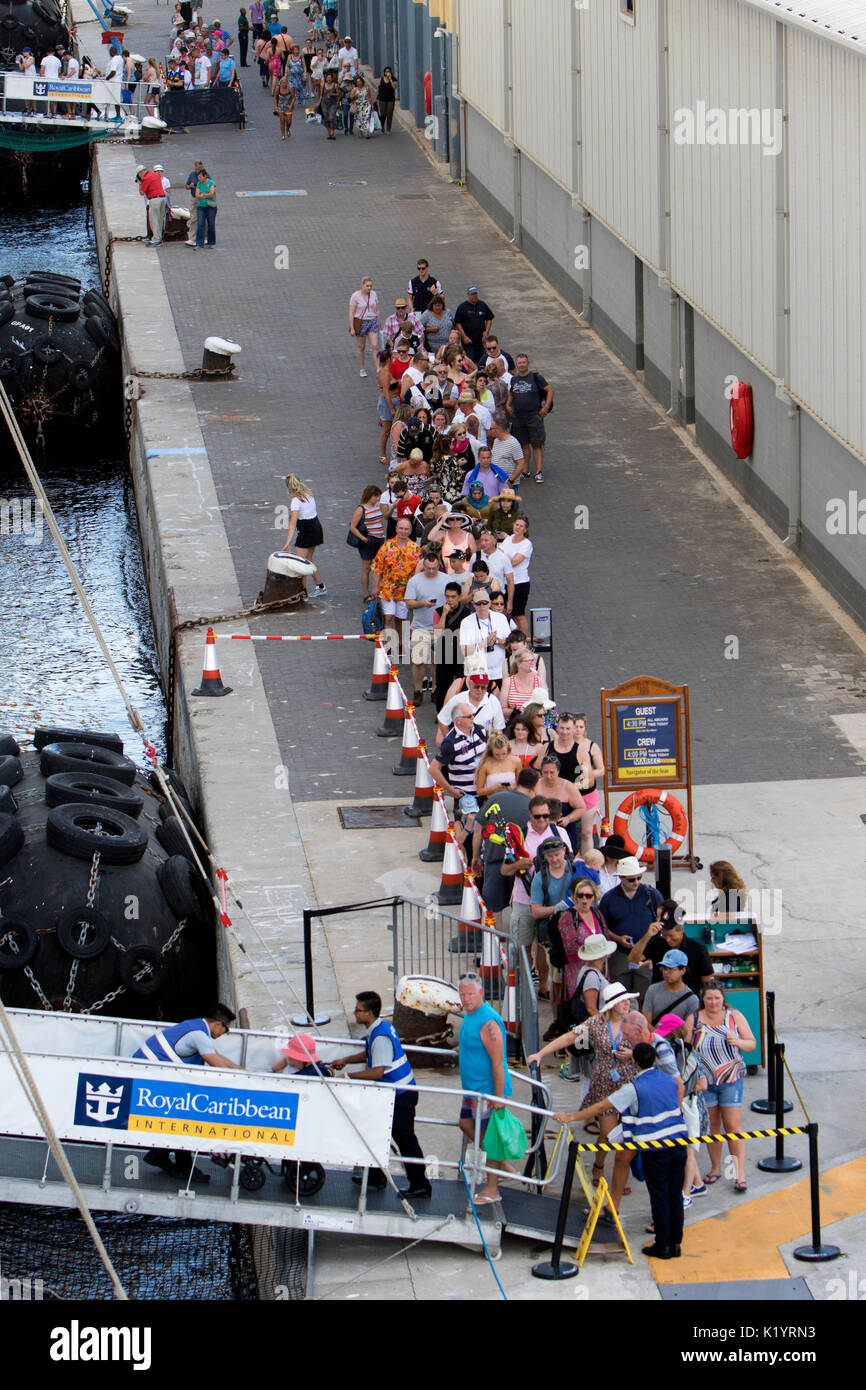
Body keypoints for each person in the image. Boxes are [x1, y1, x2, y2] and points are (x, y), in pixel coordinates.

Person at [555, 1041, 688, 1259]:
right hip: (678, 1143)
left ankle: (663, 1245)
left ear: (633, 1061)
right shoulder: (668, 1079)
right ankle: (675, 1244)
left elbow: (601, 1106)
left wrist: (571, 1117)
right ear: (655, 1059)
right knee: (675, 1194)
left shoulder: (633, 1088)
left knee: (660, 1196)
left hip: (655, 1148)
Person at [331, 991, 431, 1198]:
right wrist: (346, 1060)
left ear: (369, 1013)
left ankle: (420, 1184)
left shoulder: (381, 1037)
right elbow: (371, 1053)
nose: (354, 1013)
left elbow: (377, 1071)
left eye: (358, 1010)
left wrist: (347, 1076)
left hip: (400, 1096)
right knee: (377, 1132)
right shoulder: (381, 1028)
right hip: (396, 1092)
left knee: (405, 1139)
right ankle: (376, 1177)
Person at [133, 1004, 240, 1183]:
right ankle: (183, 1166)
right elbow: (218, 1066)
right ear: (218, 1024)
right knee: (186, 1116)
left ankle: (161, 1155)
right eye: (226, 1029)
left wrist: (241, 1071)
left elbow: (216, 1055)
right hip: (148, 1079)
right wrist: (240, 1080)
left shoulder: (194, 1026)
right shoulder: (199, 1035)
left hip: (148, 1075)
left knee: (182, 1115)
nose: (225, 1033)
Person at [502, 793, 569, 994]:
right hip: (523, 899)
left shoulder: (559, 833)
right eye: (537, 816)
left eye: (546, 816)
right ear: (530, 816)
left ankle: (543, 988)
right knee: (521, 948)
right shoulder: (518, 836)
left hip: (551, 901)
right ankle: (522, 989)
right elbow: (504, 870)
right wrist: (518, 865)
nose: (542, 820)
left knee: (545, 947)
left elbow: (571, 863)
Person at [457, 973, 514, 1204]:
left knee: (491, 1138)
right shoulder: (470, 1014)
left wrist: (498, 1098)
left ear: (480, 993)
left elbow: (498, 1062)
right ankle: (501, 1164)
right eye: (462, 994)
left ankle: (492, 1188)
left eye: (470, 994)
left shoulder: (489, 1022)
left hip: (487, 1091)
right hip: (472, 1090)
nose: (466, 999)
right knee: (465, 1123)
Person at [694, 985, 756, 1192]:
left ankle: (738, 1174)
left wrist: (737, 1042)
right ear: (703, 999)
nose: (713, 1002)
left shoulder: (734, 1016)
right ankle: (716, 1168)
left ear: (723, 999)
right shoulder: (694, 1019)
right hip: (706, 1082)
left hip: (731, 1080)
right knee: (713, 1126)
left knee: (732, 1126)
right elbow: (687, 1049)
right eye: (709, 998)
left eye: (717, 998)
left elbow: (751, 1044)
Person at [654, 1013, 709, 1205]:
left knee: (688, 1153)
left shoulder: (684, 1052)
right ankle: (698, 1184)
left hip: (688, 1106)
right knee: (687, 1150)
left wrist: (681, 1090)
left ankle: (685, 1195)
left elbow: (703, 1084)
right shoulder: (673, 1051)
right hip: (685, 1104)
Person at [599, 855, 662, 1001]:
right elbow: (602, 927)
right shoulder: (609, 899)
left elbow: (662, 917)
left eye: (639, 878)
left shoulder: (652, 894)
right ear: (621, 877)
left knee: (644, 994)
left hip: (645, 953)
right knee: (620, 996)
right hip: (620, 954)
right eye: (631, 880)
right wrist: (617, 938)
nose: (636, 882)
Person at [628, 899, 715, 994]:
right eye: (664, 935)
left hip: (688, 999)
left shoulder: (698, 949)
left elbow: (708, 982)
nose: (668, 940)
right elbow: (633, 959)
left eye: (671, 936)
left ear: (681, 929)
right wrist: (648, 935)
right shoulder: (657, 944)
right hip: (661, 997)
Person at [404, 550, 448, 704]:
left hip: (440, 628)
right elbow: (409, 603)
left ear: (439, 565)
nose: (431, 571)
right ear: (423, 565)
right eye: (428, 568)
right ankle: (418, 691)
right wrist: (423, 603)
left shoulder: (447, 580)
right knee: (419, 661)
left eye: (434, 568)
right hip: (420, 627)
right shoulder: (414, 581)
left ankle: (435, 690)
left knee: (437, 662)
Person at [429, 704, 488, 814]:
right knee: (467, 824)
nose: (472, 718)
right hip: (466, 797)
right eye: (469, 716)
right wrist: (451, 791)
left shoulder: (480, 731)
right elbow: (433, 769)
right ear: (458, 721)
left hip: (485, 793)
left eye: (473, 715)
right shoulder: (450, 742)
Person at [369, 516, 420, 642]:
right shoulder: (386, 546)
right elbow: (378, 568)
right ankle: (389, 645)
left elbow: (418, 572)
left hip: (405, 590)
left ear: (410, 531)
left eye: (406, 529)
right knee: (388, 618)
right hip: (387, 588)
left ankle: (401, 645)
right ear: (396, 529)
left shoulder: (415, 549)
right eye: (401, 528)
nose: (403, 531)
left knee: (401, 619)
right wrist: (375, 586)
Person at [507, 353, 554, 483]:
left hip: (533, 416)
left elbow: (550, 390)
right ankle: (525, 471)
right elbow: (511, 393)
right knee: (524, 445)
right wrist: (507, 405)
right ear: (516, 365)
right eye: (519, 363)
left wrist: (546, 407)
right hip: (518, 417)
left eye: (524, 362)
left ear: (528, 363)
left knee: (537, 445)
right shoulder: (514, 379)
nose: (521, 365)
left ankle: (538, 472)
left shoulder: (536, 377)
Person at [280, 474, 326, 596]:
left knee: (300, 565)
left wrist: (287, 543)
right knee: (308, 560)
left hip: (306, 532)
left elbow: (292, 524)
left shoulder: (295, 501)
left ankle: (302, 593)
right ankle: (320, 586)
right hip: (316, 527)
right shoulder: (308, 494)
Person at [642, 949, 700, 1042]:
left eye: (671, 969)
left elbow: (688, 1031)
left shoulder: (692, 1000)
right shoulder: (652, 990)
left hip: (677, 1044)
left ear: (683, 970)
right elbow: (646, 1022)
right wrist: (660, 1040)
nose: (666, 972)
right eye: (664, 968)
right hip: (654, 1041)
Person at [437, 669, 506, 744]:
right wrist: (450, 741)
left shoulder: (493, 701)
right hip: (461, 744)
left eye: (483, 687)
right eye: (476, 686)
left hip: (485, 744)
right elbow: (442, 719)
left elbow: (498, 729)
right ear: (470, 685)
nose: (480, 690)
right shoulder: (458, 699)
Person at [459, 591, 511, 687]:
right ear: (473, 604)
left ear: (490, 603)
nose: (482, 606)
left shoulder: (501, 618)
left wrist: (497, 641)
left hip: (498, 672)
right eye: (478, 603)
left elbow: (510, 645)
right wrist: (484, 643)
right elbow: (464, 651)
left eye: (485, 603)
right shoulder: (466, 622)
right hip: (476, 672)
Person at [433, 581, 472, 710]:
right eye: (447, 596)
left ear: (460, 597)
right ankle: (441, 713)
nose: (450, 600)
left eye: (453, 597)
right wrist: (444, 614)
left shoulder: (467, 613)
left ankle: (461, 712)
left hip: (461, 654)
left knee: (462, 685)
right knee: (442, 686)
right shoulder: (438, 612)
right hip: (444, 654)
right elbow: (438, 633)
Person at [537, 753, 586, 853]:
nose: (548, 776)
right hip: (540, 829)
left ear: (558, 771)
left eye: (552, 772)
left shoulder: (568, 786)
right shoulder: (535, 785)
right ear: (541, 771)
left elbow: (581, 808)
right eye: (545, 772)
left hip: (564, 828)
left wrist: (568, 818)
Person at [573, 714, 605, 855]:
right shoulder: (564, 746)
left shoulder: (592, 746)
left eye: (581, 727)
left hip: (587, 791)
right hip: (571, 791)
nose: (578, 730)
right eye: (575, 727)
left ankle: (589, 858)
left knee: (586, 831)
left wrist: (586, 774)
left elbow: (601, 770)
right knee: (573, 828)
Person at [349, 484, 386, 601]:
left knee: (380, 566)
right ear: (369, 496)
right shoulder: (361, 509)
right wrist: (363, 538)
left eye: (378, 497)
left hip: (380, 539)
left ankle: (379, 590)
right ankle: (366, 594)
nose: (377, 499)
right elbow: (353, 527)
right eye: (375, 496)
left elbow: (381, 519)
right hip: (368, 539)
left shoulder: (378, 506)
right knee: (366, 568)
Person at [499, 514, 533, 637]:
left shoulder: (526, 544)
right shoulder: (508, 539)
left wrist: (502, 560)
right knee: (506, 613)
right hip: (505, 582)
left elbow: (514, 562)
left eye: (521, 526)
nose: (518, 527)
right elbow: (499, 554)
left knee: (518, 615)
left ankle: (525, 641)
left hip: (520, 583)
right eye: (516, 524)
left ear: (525, 529)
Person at [475, 731, 522, 799]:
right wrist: (493, 789)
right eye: (497, 754)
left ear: (508, 749)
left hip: (512, 799)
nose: (501, 757)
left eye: (504, 753)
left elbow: (521, 786)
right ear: (491, 751)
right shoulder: (485, 764)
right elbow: (479, 791)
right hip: (493, 800)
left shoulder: (516, 761)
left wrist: (513, 787)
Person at [453, 286, 495, 363]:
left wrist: (487, 331)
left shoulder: (482, 305)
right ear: (468, 295)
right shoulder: (462, 307)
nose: (474, 296)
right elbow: (457, 322)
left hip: (481, 341)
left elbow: (489, 318)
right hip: (468, 341)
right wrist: (464, 336)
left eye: (475, 294)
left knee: (482, 361)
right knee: (470, 361)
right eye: (472, 294)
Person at [349, 275, 380, 377]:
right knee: (361, 346)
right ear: (363, 285)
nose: (369, 288)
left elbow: (377, 309)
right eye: (367, 286)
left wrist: (379, 323)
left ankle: (378, 368)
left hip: (372, 321)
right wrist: (352, 327)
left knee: (375, 345)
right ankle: (362, 368)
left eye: (371, 286)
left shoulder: (374, 294)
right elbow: (351, 312)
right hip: (361, 322)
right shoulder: (355, 296)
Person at [500, 648, 544, 716]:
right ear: (518, 664)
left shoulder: (539, 681)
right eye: (528, 661)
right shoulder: (508, 682)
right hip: (515, 719)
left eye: (533, 660)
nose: (532, 663)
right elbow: (502, 709)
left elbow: (545, 705)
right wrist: (516, 711)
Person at [135, 165, 167, 247]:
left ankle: (156, 239)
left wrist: (140, 183)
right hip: (163, 198)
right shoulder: (154, 174)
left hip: (155, 200)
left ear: (140, 172)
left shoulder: (146, 178)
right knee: (160, 219)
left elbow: (142, 192)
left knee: (154, 220)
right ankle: (159, 238)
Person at [192, 165, 217, 248]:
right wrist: (206, 195)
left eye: (200, 177)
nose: (199, 178)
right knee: (200, 224)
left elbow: (211, 194)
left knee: (211, 224)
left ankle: (211, 242)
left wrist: (203, 195)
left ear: (205, 176)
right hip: (201, 206)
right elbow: (197, 195)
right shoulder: (199, 184)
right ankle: (199, 244)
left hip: (210, 206)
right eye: (198, 177)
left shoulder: (211, 182)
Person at [376, 64, 397, 133]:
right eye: (386, 72)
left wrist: (390, 79)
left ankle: (388, 129)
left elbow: (394, 87)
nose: (387, 73)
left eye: (389, 71)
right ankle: (382, 125)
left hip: (390, 99)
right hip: (382, 99)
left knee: (389, 114)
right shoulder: (381, 79)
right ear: (384, 73)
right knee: (383, 114)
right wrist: (376, 98)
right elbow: (378, 89)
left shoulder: (393, 79)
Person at [319, 67, 339, 137]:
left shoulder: (335, 85)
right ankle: (329, 131)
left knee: (332, 117)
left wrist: (332, 94)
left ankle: (332, 131)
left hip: (332, 103)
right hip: (324, 103)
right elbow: (321, 95)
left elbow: (338, 94)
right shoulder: (323, 85)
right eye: (328, 78)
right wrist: (318, 103)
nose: (329, 79)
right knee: (326, 117)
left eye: (330, 78)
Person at [274, 70, 294, 136]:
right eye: (283, 83)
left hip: (288, 106)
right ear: (280, 83)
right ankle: (283, 134)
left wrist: (291, 105)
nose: (284, 84)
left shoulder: (290, 88)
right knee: (282, 120)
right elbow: (275, 97)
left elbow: (293, 98)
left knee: (289, 121)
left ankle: (288, 129)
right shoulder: (278, 89)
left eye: (285, 82)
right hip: (281, 106)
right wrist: (276, 106)